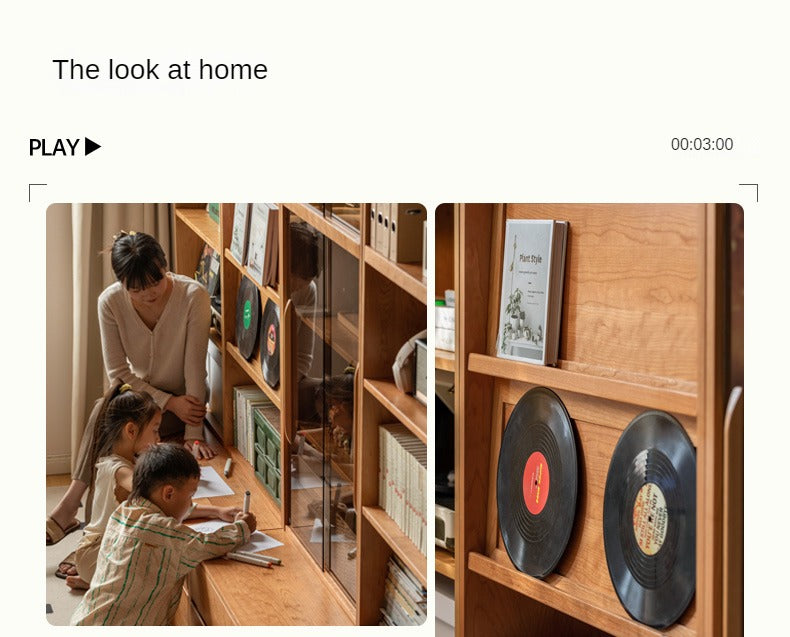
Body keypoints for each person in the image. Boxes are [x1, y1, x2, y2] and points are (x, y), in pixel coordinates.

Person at [48, 230, 215, 566]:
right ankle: (85, 527)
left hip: (184, 406)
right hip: (142, 402)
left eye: (154, 283)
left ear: (165, 268)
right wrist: (166, 401)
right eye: (135, 289)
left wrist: (193, 434)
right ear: (121, 283)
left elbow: (196, 368)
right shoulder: (109, 302)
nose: (147, 295)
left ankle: (72, 518)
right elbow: (118, 374)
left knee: (104, 413)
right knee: (108, 409)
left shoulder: (193, 296)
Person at [64, 382, 240, 590]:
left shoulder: (122, 461)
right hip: (98, 554)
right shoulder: (120, 470)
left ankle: (94, 580)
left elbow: (160, 504)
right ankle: (98, 582)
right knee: (162, 562)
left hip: (97, 551)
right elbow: (152, 491)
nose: (158, 438)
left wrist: (217, 511)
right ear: (131, 430)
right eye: (155, 430)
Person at [70, 443, 256, 626]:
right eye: (190, 495)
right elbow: (207, 543)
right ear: (168, 494)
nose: (190, 502)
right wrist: (243, 527)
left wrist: (215, 511)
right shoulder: (163, 531)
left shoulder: (123, 512)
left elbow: (175, 515)